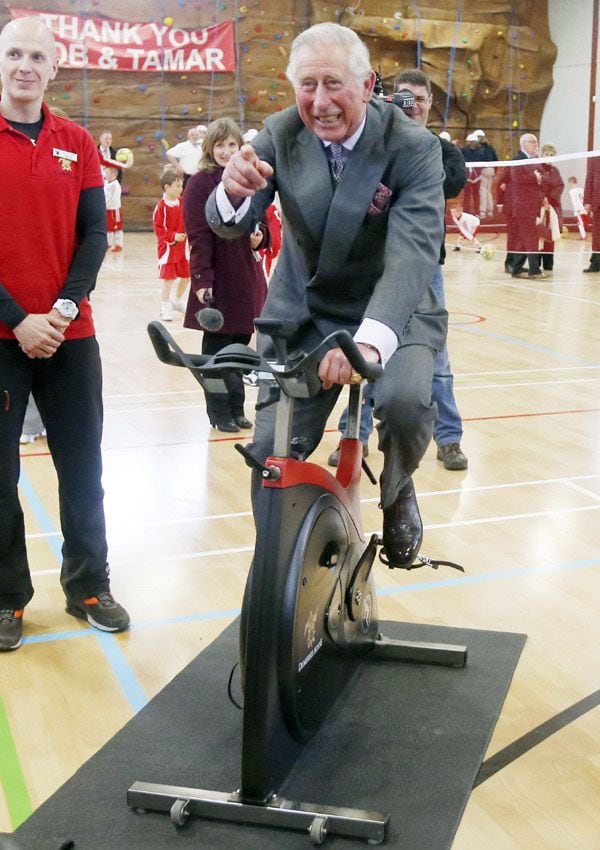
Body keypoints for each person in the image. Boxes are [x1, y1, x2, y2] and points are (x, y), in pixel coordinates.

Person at [206, 23, 447, 567]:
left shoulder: (413, 146)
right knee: (270, 447)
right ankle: (276, 566)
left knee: (406, 406)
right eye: (307, 85)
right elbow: (226, 222)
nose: (320, 101)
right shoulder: (279, 133)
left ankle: (396, 485)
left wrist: (368, 345)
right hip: (307, 314)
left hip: (394, 311)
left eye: (334, 84)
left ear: (366, 86)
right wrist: (231, 190)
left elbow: (412, 257)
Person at [0, 17, 130, 651]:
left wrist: (60, 311)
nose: (25, 65)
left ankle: (89, 586)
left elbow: (94, 237)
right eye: (14, 53)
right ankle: (6, 599)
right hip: (3, 339)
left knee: (83, 469)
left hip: (68, 338)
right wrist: (17, 319)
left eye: (37, 57)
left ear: (55, 68)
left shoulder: (76, 142)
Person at [329, 68, 469, 472]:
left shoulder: (441, 150)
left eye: (420, 100)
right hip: (373, 271)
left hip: (425, 272)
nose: (413, 106)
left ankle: (449, 439)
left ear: (429, 105)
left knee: (436, 362)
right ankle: (353, 435)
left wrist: (418, 147)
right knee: (368, 351)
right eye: (404, 98)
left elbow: (452, 182)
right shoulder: (375, 146)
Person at [183, 117, 269, 432]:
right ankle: (218, 413)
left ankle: (237, 408)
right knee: (216, 356)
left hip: (246, 278)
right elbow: (197, 235)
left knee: (240, 351)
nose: (226, 150)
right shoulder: (199, 183)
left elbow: (264, 220)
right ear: (210, 148)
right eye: (220, 145)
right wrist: (203, 280)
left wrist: (262, 237)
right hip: (218, 278)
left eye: (232, 144)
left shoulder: (251, 177)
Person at [496, 133, 546, 279]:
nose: (536, 145)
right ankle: (525, 268)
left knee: (524, 238)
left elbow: (545, 178)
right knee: (521, 237)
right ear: (524, 144)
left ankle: (517, 267)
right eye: (532, 142)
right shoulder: (517, 160)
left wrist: (540, 179)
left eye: (536, 142)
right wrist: (535, 177)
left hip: (530, 205)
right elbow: (515, 179)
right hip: (519, 206)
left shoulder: (536, 161)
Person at [152, 169, 190, 320]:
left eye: (182, 186)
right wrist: (173, 236)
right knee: (169, 279)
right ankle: (165, 305)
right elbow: (159, 230)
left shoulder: (183, 203)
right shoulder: (161, 207)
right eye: (178, 186)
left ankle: (178, 300)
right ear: (167, 187)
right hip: (168, 249)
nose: (181, 189)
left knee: (186, 276)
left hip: (184, 248)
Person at [537, 143, 564, 272]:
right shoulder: (536, 169)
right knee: (538, 234)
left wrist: (550, 200)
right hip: (539, 206)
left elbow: (560, 186)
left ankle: (548, 263)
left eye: (552, 155)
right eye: (547, 154)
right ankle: (535, 262)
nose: (549, 157)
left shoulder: (555, 171)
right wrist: (543, 199)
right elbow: (535, 186)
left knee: (549, 235)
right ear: (541, 154)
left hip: (551, 207)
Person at [472, 129, 498, 219]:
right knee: (488, 191)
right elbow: (496, 159)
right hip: (491, 169)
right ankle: (490, 211)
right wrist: (495, 171)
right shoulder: (490, 147)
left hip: (484, 169)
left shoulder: (479, 147)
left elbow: (478, 159)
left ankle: (482, 212)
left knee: (482, 191)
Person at [101, 162, 124, 252]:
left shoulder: (116, 186)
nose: (105, 175)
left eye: (107, 173)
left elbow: (113, 198)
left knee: (117, 227)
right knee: (108, 227)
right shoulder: (106, 183)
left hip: (115, 210)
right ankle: (109, 243)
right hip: (107, 210)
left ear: (114, 175)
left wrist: (106, 204)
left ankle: (119, 244)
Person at [583, 154, 600, 272]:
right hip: (598, 203)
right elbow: (589, 180)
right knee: (597, 236)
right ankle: (596, 263)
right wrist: (587, 201)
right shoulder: (596, 158)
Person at [568, 175, 588, 240]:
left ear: (571, 182)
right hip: (584, 208)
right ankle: (583, 234)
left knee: (580, 223)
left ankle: (583, 236)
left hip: (578, 209)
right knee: (582, 222)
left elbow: (574, 201)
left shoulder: (572, 191)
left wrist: (577, 209)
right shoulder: (581, 189)